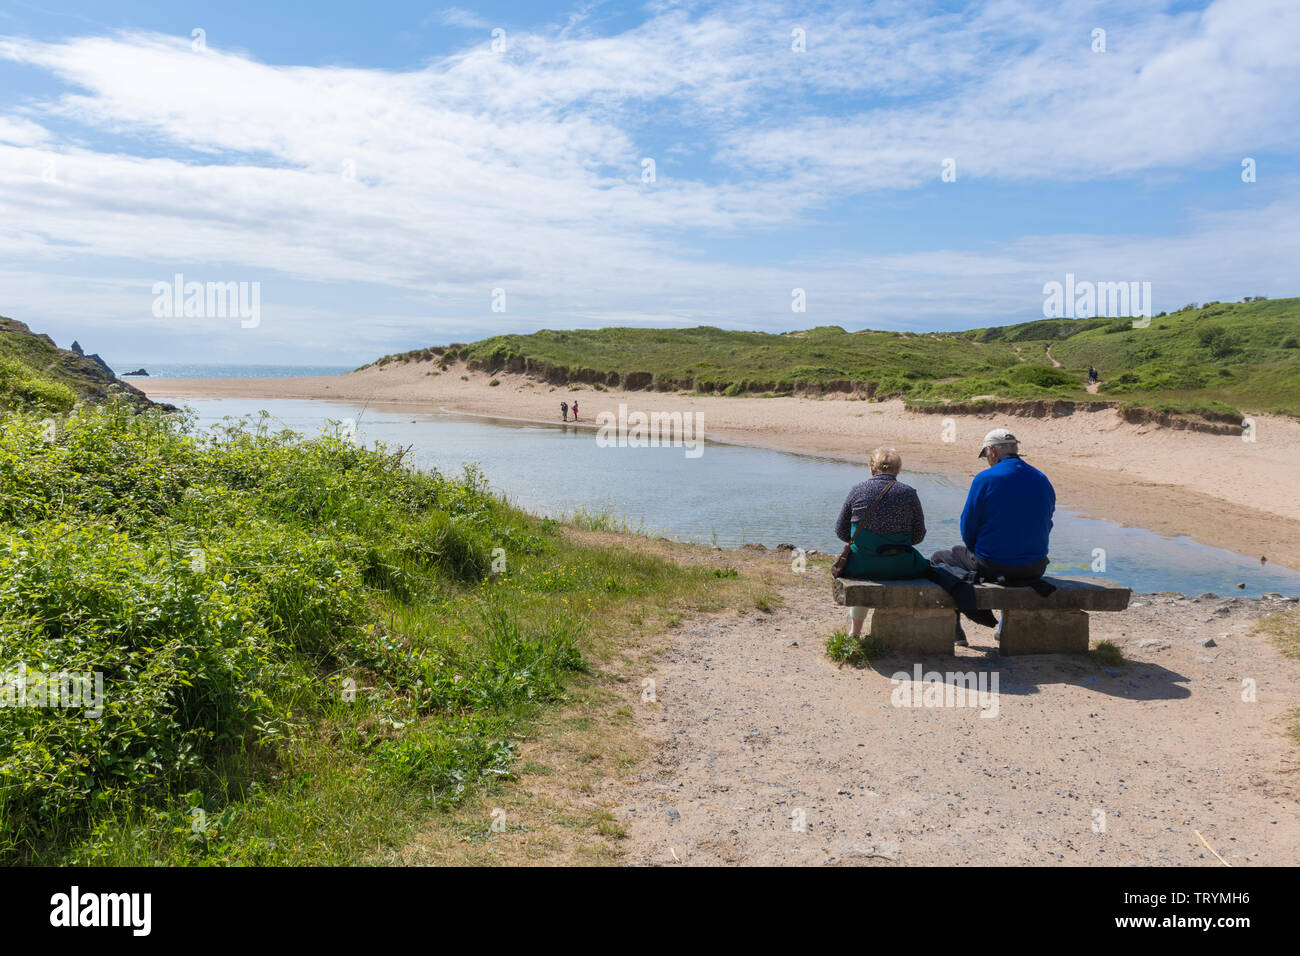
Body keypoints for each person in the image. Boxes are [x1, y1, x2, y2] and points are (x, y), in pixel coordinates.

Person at [930, 427, 1055, 645]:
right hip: (1035, 566)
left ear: (992, 451)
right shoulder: (1042, 479)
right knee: (1008, 555)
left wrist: (976, 550)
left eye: (985, 456)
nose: (987, 460)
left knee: (939, 559)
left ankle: (954, 628)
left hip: (993, 563)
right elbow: (1048, 523)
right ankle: (1004, 624)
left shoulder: (985, 479)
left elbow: (968, 529)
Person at [833, 447, 930, 639]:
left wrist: (868, 542)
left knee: (866, 567)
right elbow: (918, 536)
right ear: (897, 471)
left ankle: (855, 632)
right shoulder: (909, 493)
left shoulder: (857, 490)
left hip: (861, 565)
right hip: (901, 565)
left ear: (871, 469)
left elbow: (841, 531)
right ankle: (897, 634)